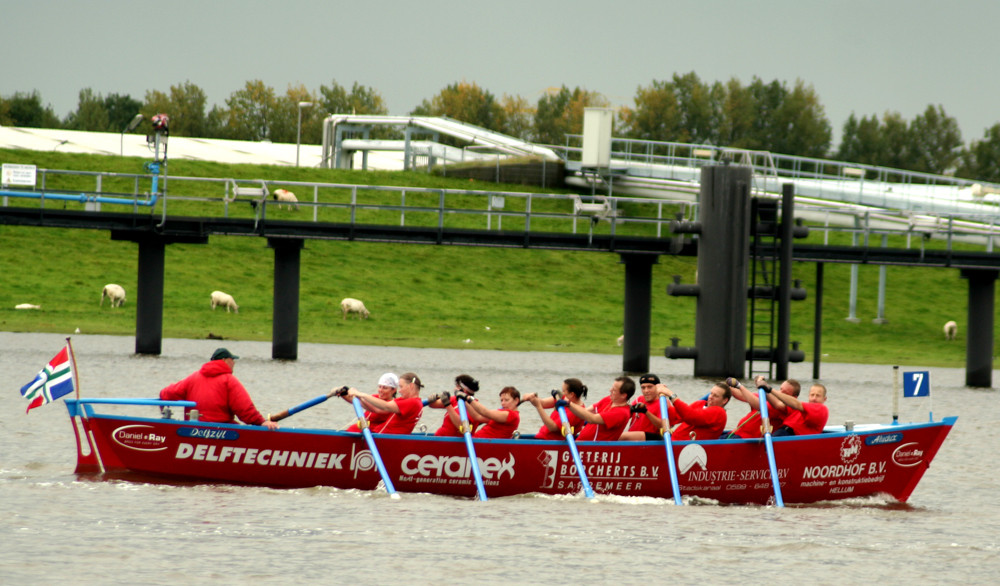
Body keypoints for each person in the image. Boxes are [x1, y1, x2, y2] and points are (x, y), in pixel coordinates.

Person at [159, 347, 278, 430]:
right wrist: (262, 422)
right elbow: (245, 409)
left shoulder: (193, 378)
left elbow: (167, 393)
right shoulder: (229, 380)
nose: (234, 363)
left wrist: (162, 400)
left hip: (193, 431)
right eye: (232, 360)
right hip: (223, 432)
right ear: (225, 361)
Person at [344, 372, 424, 434]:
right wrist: (355, 396)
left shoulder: (412, 402)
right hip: (379, 435)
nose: (399, 391)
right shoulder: (411, 401)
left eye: (401, 387)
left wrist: (360, 394)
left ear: (411, 386)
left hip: (384, 439)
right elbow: (377, 410)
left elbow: (386, 406)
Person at [723, 377, 801, 439]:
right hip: (734, 433)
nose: (779, 393)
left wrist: (739, 386)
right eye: (780, 389)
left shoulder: (788, 407)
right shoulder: (768, 397)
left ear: (794, 397)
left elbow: (760, 405)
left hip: (747, 440)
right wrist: (727, 387)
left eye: (785, 393)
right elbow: (743, 396)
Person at [567, 376, 635, 441]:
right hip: (581, 441)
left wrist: (568, 403)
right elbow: (586, 411)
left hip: (593, 448)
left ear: (624, 395)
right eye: (612, 387)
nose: (610, 390)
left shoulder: (621, 413)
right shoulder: (609, 399)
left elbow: (592, 418)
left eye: (614, 390)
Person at [757, 376, 829, 436]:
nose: (814, 398)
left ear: (824, 399)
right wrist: (763, 387)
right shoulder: (802, 408)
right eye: (812, 395)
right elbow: (778, 404)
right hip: (782, 432)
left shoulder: (822, 409)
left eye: (818, 396)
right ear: (808, 396)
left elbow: (796, 404)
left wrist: (770, 389)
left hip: (791, 436)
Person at [659, 382, 730, 441]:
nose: (711, 397)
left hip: (688, 450)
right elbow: (676, 416)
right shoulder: (701, 403)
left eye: (715, 396)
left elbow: (690, 416)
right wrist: (664, 403)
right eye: (711, 393)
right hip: (674, 442)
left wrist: (671, 395)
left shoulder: (719, 413)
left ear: (724, 400)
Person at [523, 378, 588, 440]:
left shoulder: (577, 412)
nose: (562, 393)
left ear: (572, 394)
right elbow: (543, 403)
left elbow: (552, 427)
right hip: (542, 437)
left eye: (563, 391)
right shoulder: (563, 398)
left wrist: (538, 407)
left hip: (551, 442)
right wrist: (531, 397)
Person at [620, 373, 672, 441]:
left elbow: (662, 425)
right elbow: (624, 416)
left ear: (657, 387)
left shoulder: (663, 402)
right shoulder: (639, 399)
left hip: (654, 438)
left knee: (621, 436)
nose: (646, 391)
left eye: (650, 387)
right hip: (635, 438)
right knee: (612, 434)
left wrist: (646, 412)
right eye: (643, 388)